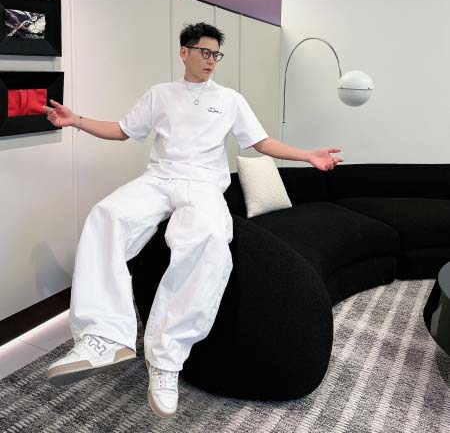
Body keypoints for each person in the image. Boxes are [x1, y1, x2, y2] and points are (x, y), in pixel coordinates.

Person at [44, 22, 343, 418]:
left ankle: (165, 360)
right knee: (105, 215)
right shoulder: (160, 94)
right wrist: (77, 120)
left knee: (208, 240)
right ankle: (103, 337)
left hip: (202, 185)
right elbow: (121, 130)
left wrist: (307, 155)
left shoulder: (230, 100)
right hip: (159, 179)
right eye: (204, 52)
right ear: (184, 52)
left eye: (216, 54)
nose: (211, 60)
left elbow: (261, 141)